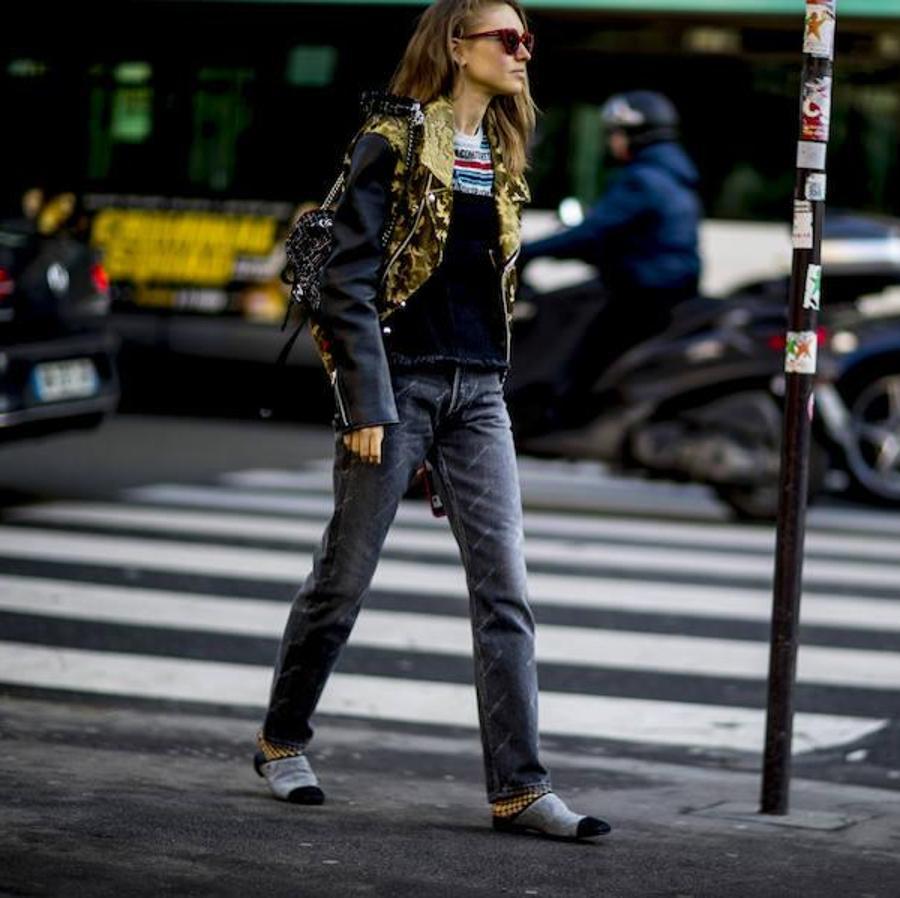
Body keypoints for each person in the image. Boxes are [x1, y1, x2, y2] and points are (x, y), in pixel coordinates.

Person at [254, 0, 610, 841]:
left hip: (480, 393)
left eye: (528, 39)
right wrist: (367, 402)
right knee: (343, 581)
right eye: (505, 37)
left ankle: (520, 789)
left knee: (506, 592)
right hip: (400, 388)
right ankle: (281, 741)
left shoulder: (506, 151)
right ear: (456, 46)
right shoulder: (395, 139)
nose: (523, 52)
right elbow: (345, 279)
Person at [514, 91, 702, 422]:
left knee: (579, 348)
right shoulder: (677, 176)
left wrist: (528, 251)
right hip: (668, 288)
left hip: (642, 294)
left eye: (615, 133)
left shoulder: (641, 180)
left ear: (635, 134)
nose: (611, 142)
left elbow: (591, 232)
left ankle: (562, 416)